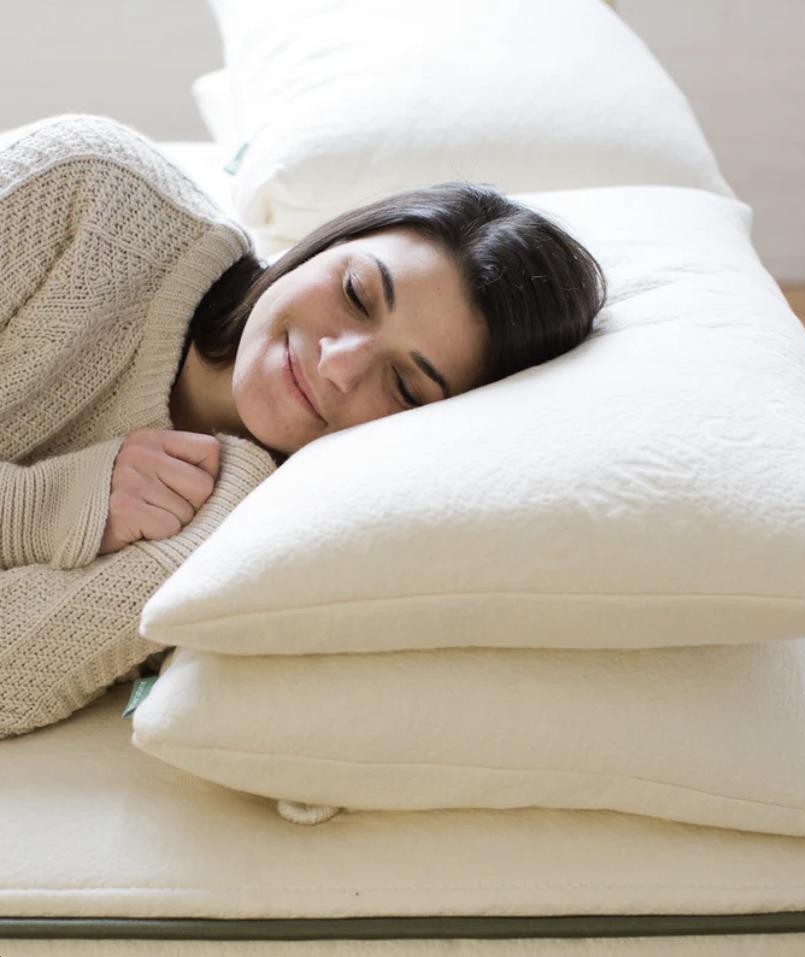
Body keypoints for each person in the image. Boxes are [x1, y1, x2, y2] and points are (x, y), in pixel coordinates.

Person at [0, 113, 607, 739]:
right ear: (323, 243)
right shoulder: (91, 197)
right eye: (356, 293)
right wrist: (51, 506)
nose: (338, 364)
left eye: (403, 386)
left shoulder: (242, 522)